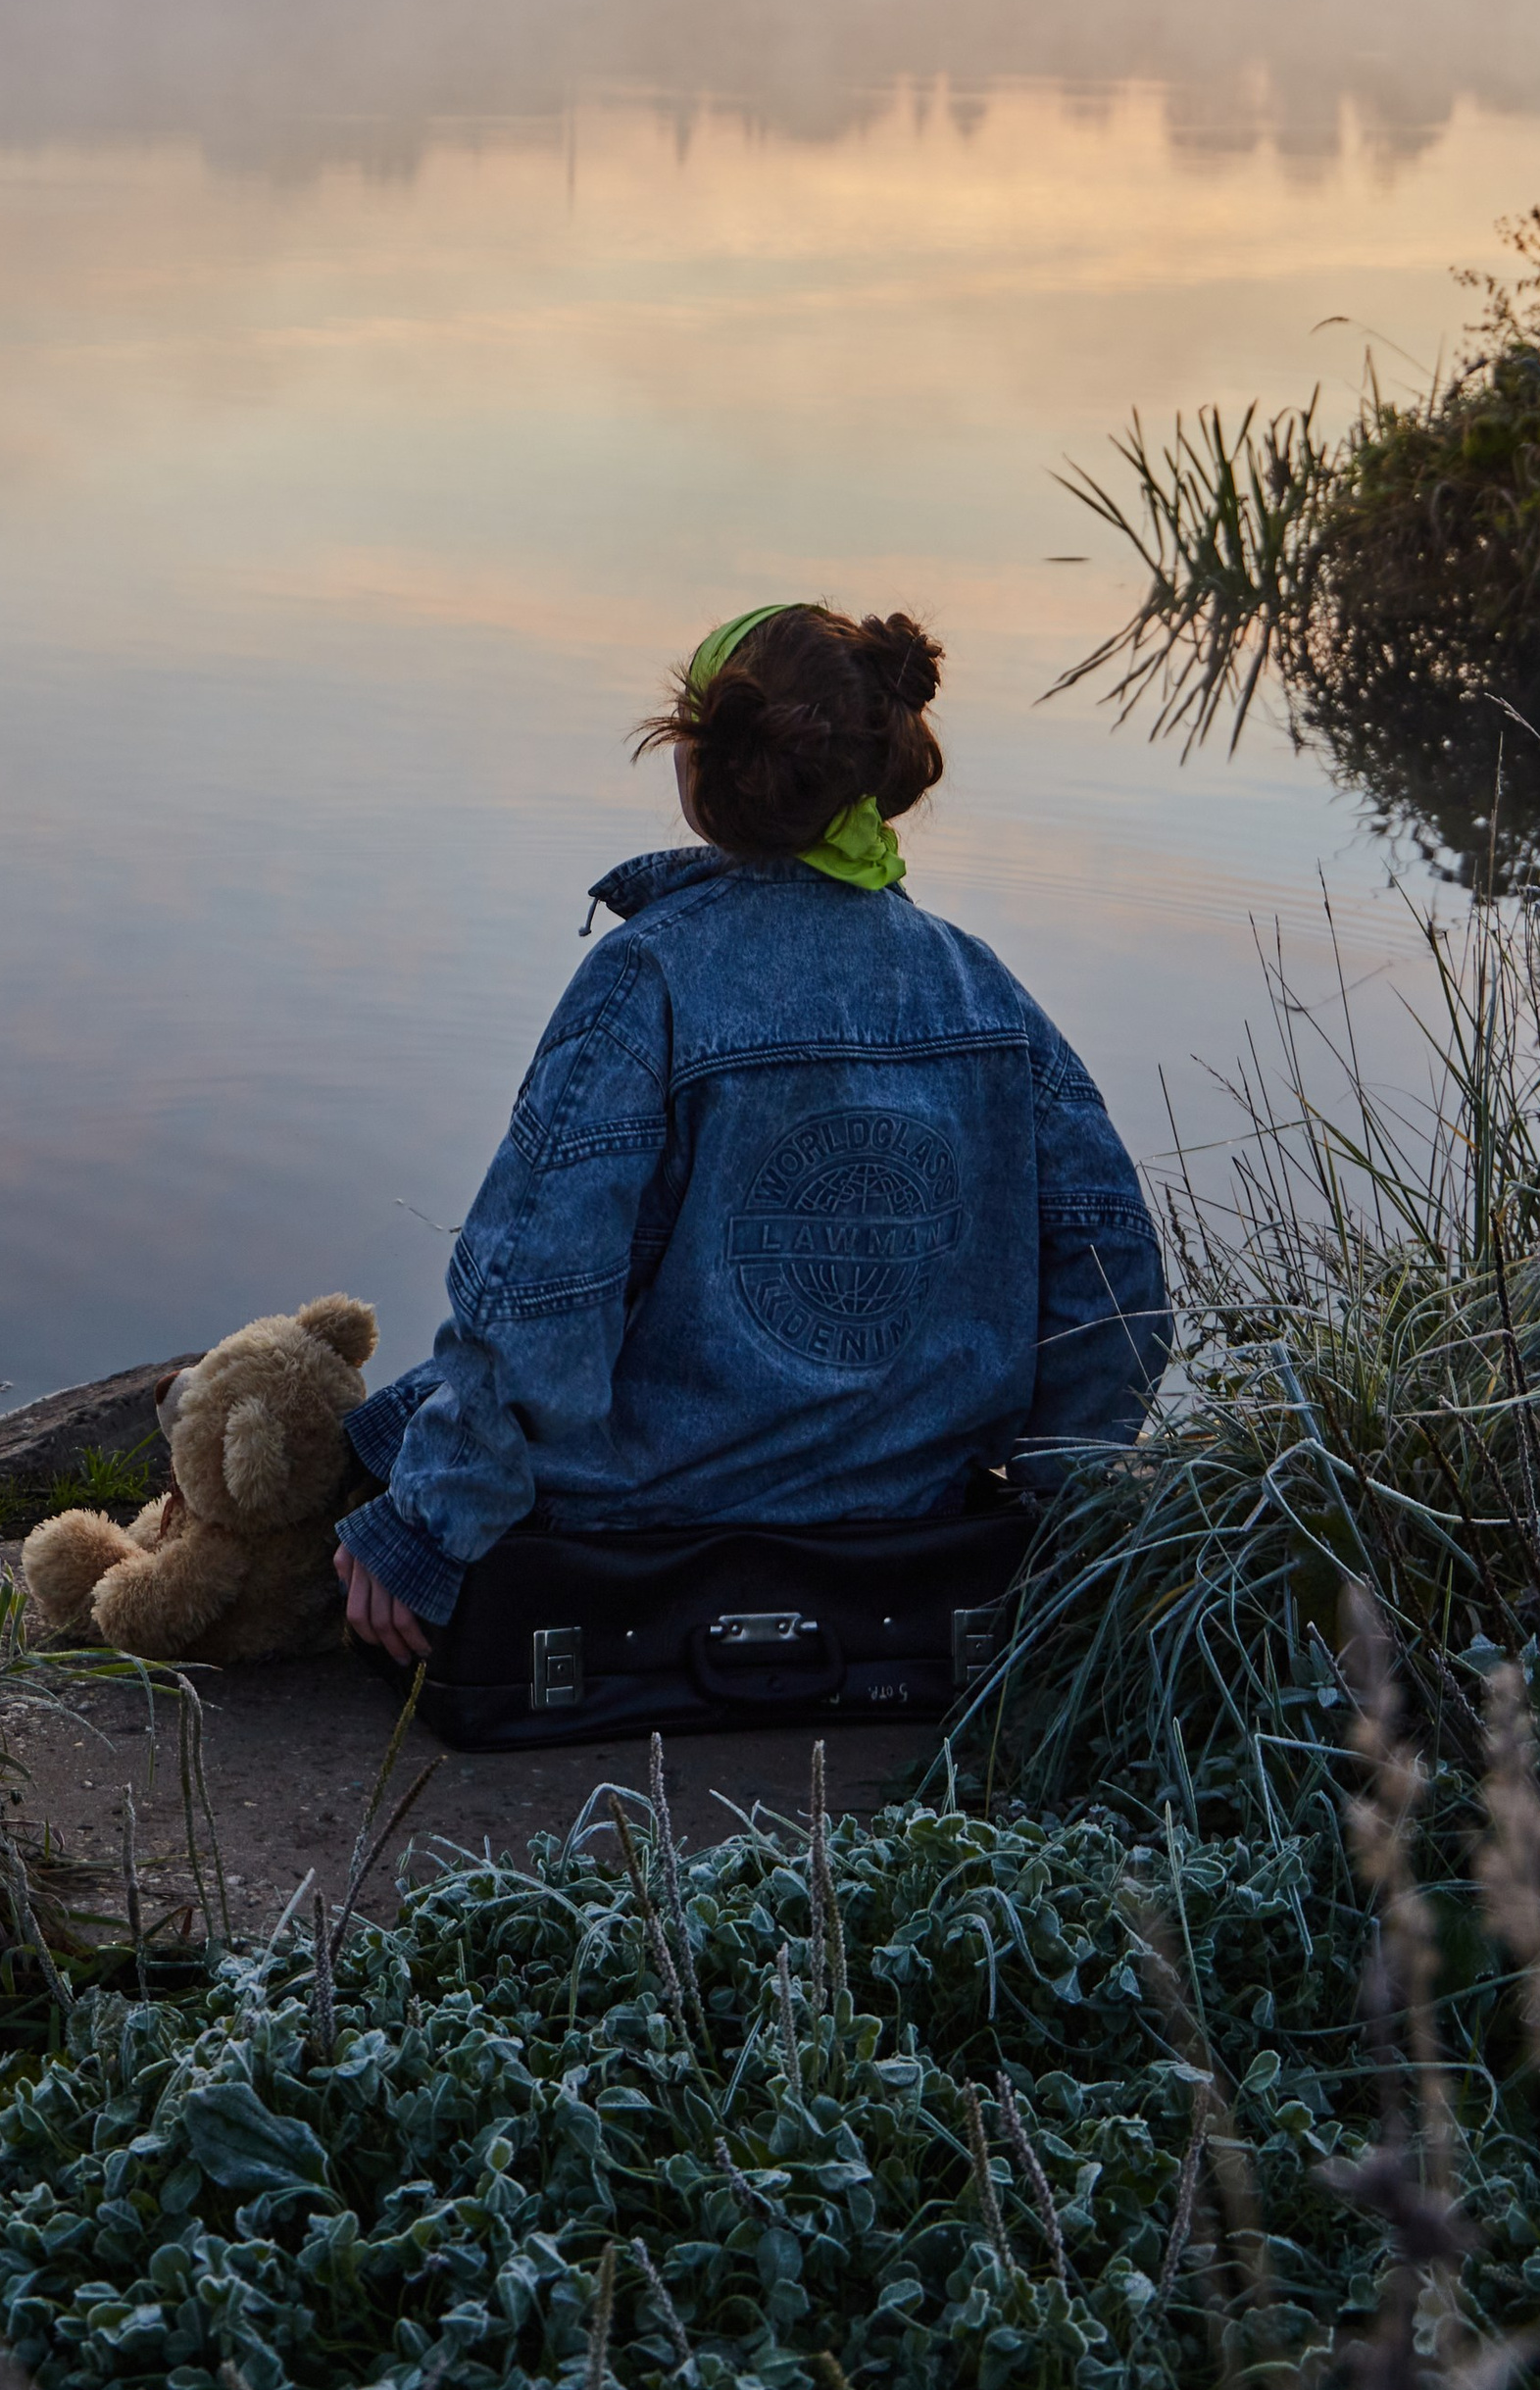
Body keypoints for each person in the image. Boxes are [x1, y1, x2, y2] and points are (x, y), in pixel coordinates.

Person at [333, 602, 1170, 1661]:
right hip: (908, 1516)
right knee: (388, 1419)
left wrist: (428, 1530)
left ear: (702, 769)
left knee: (376, 1433)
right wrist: (1060, 1500)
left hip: (645, 1516)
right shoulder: (982, 987)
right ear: (874, 770)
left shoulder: (648, 978)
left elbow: (539, 1288)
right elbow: (1111, 1267)